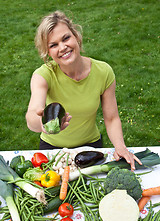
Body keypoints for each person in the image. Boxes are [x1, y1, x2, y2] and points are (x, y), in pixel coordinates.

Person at [26, 10, 141, 171]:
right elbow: (32, 115)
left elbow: (112, 117)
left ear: (76, 36)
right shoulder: (43, 75)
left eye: (66, 38)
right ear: (48, 52)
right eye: (53, 45)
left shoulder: (103, 72)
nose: (63, 47)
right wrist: (42, 124)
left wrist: (120, 146)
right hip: (52, 150)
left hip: (90, 149)